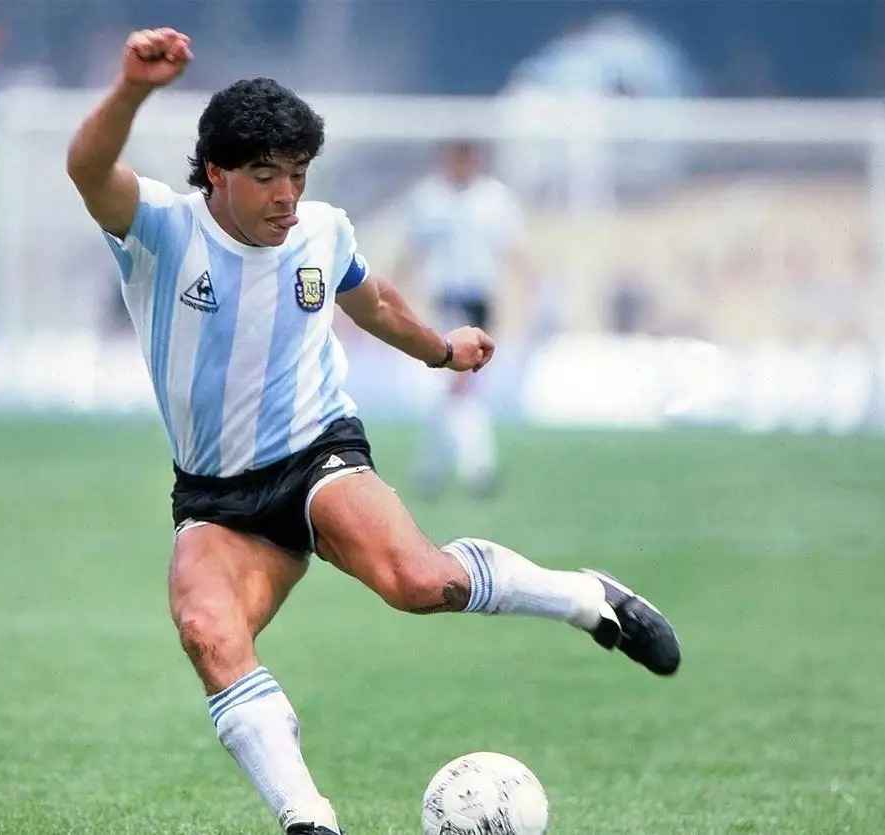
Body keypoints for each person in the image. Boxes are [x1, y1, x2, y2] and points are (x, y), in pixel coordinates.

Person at [67, 28, 681, 835]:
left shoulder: (322, 232)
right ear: (215, 172)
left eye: (298, 174)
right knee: (208, 634)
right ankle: (309, 819)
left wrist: (442, 351)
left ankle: (588, 599)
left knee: (421, 583)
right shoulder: (161, 230)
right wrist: (132, 89)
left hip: (317, 452)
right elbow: (88, 170)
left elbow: (374, 300)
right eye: (266, 176)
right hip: (216, 496)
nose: (287, 195)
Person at [397, 141, 527, 497]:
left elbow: (514, 251)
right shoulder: (428, 199)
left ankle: (447, 468)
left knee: (460, 389)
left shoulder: (494, 199)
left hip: (479, 302)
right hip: (444, 301)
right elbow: (412, 250)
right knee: (452, 389)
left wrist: (524, 297)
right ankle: (467, 468)